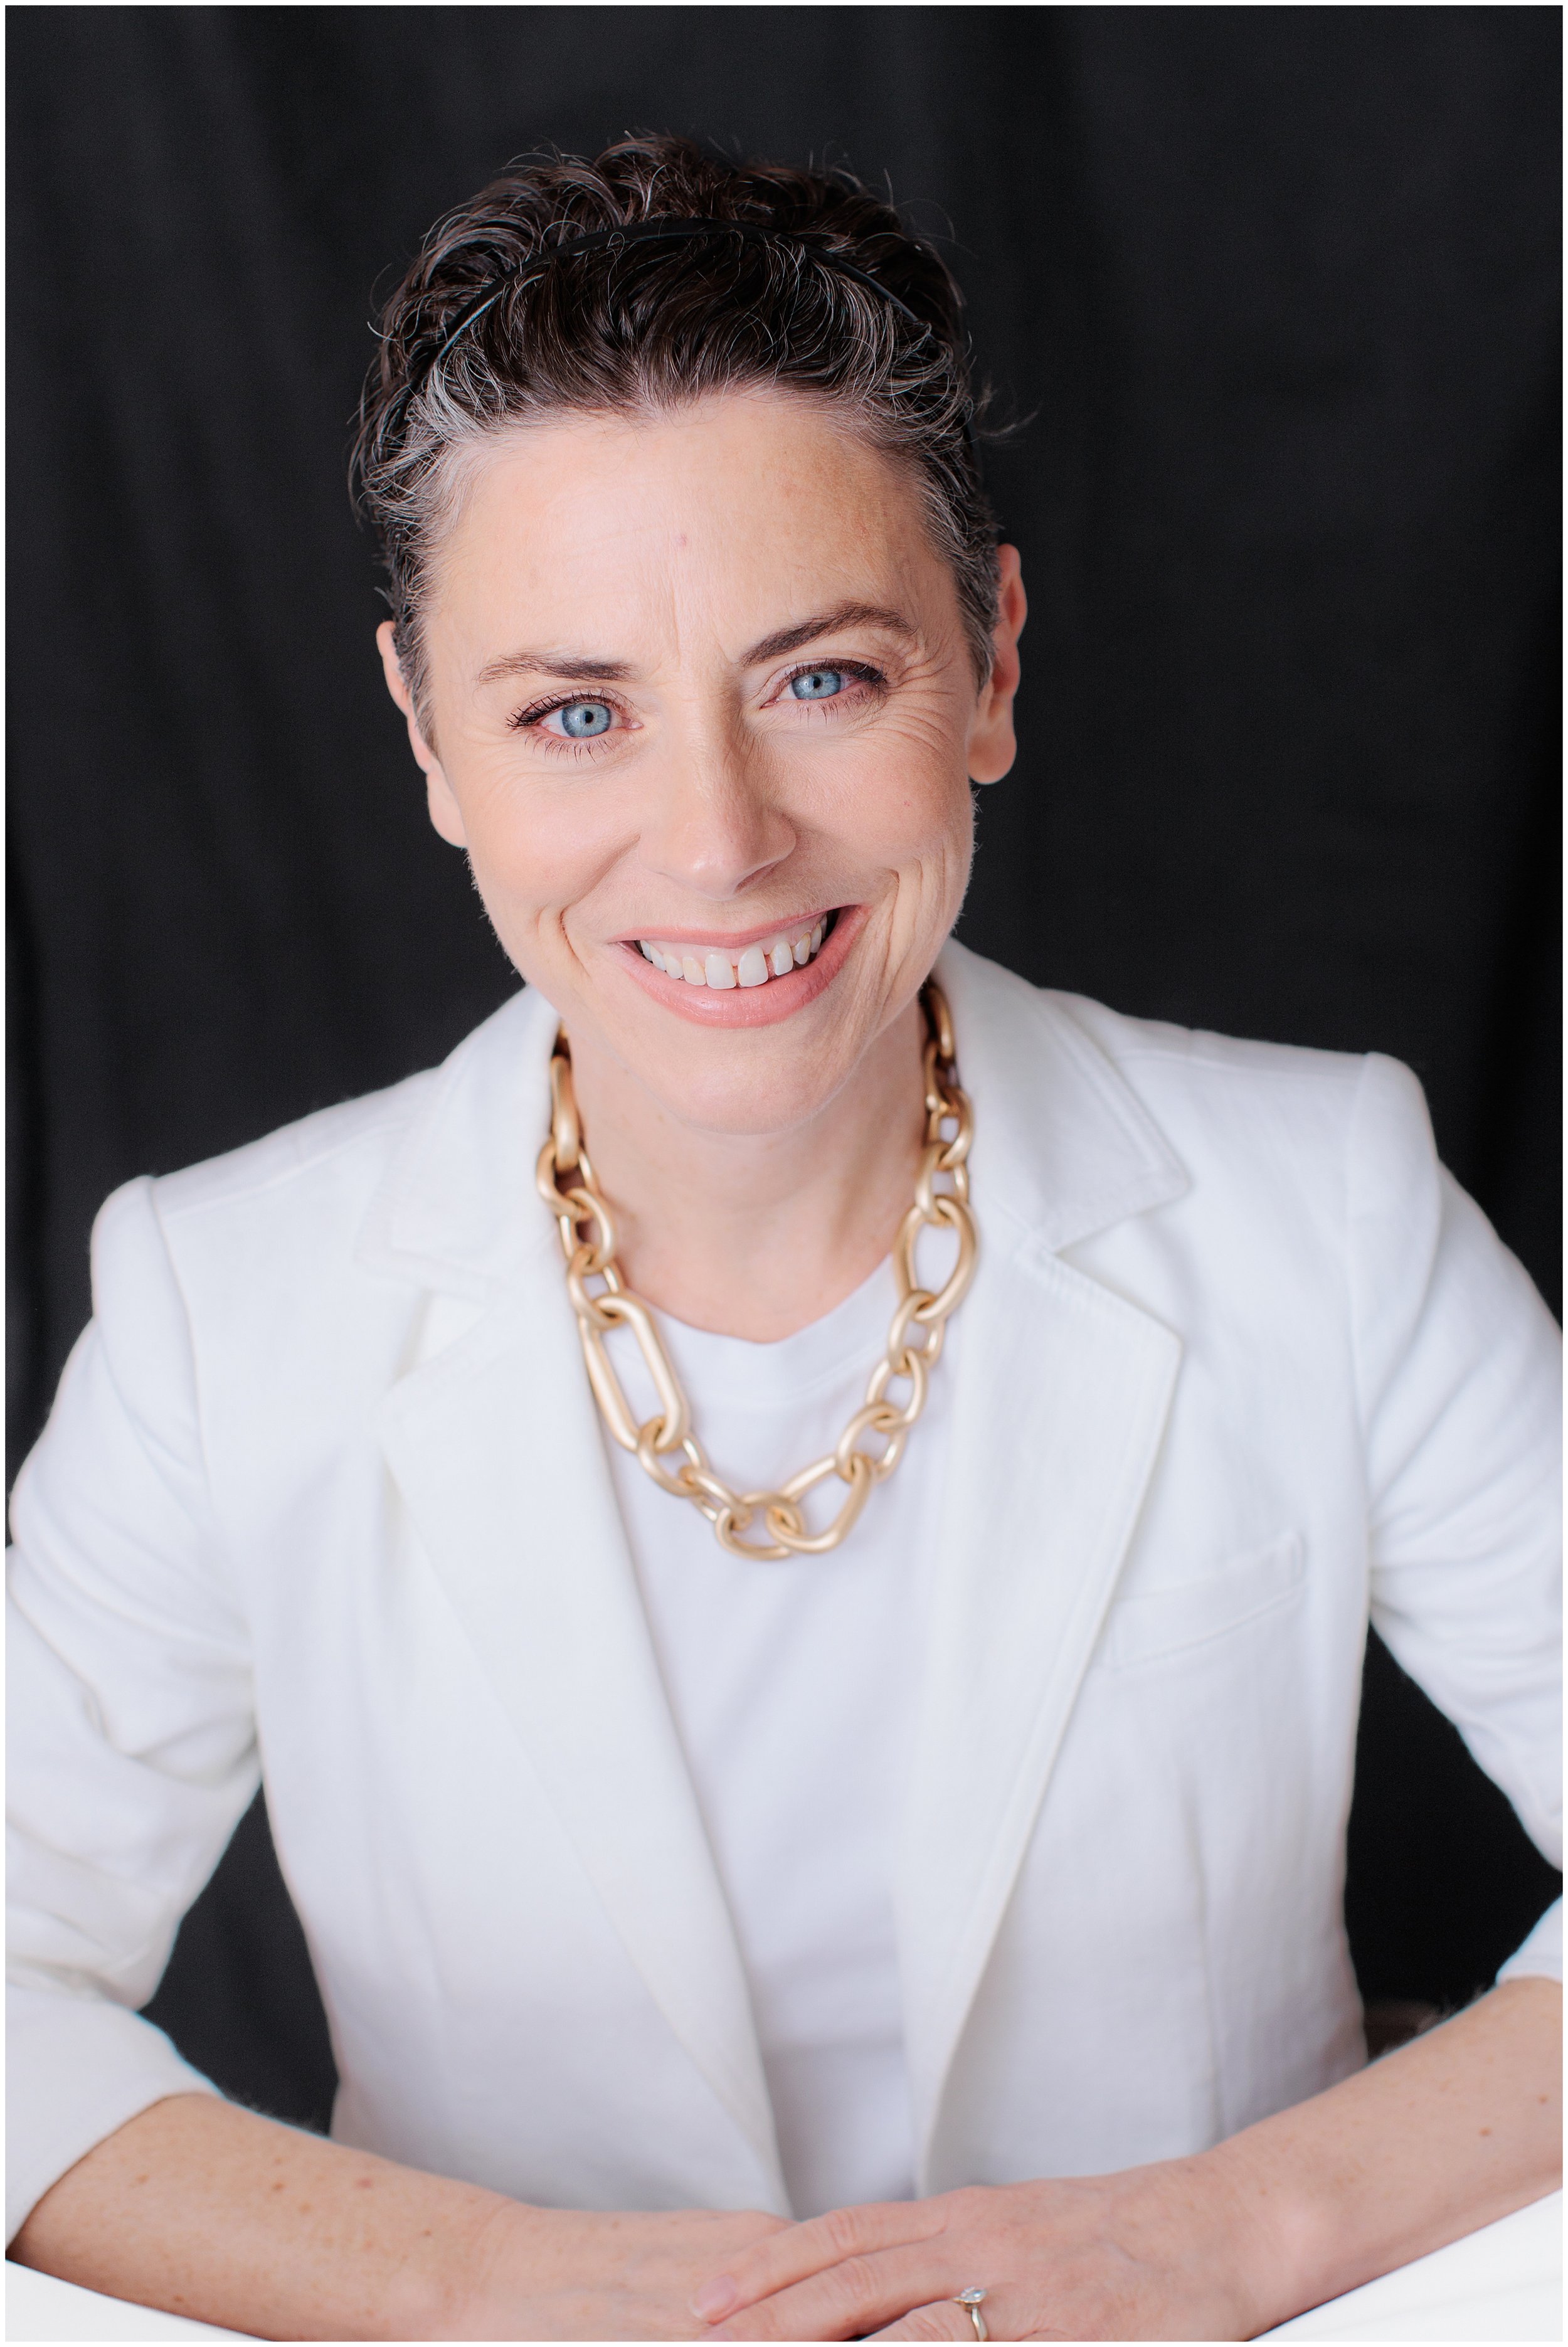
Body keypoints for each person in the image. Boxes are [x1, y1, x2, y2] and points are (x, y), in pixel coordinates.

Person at [6, 134, 1559, 2344]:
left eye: (820, 676)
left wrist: (1235, 2235)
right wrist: (493, 2292)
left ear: (991, 662)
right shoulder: (219, 1304)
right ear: (426, 740)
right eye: (572, 715)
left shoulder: (1322, 1202)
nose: (717, 842)